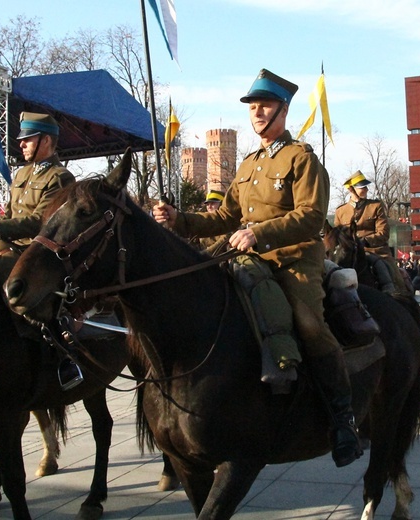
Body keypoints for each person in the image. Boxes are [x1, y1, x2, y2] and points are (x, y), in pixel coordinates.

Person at [153, 68, 362, 468]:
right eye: (252, 106)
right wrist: (179, 219)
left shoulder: (301, 158)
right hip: (245, 258)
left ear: (284, 110)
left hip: (293, 260)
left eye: (265, 105)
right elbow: (225, 217)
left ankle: (342, 419)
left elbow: (311, 216)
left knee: (310, 325)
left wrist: (259, 234)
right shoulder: (247, 165)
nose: (257, 112)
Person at [0, 111, 79, 389]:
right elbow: (10, 215)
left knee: (11, 274)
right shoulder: (22, 173)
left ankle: (57, 344)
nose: (21, 144)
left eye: (27, 139)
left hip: (37, 252)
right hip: (7, 244)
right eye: (21, 140)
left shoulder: (61, 178)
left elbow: (40, 222)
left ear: (46, 140)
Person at [334, 171, 408, 294]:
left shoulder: (375, 206)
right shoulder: (341, 211)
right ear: (351, 189)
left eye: (366, 186)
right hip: (350, 253)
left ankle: (401, 300)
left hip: (374, 251)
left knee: (395, 279)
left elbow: (383, 232)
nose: (366, 189)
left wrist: (365, 241)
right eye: (362, 187)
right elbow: (338, 236)